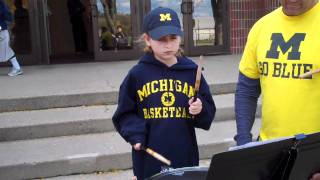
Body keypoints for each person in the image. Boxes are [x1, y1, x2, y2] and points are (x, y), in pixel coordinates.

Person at [112, 7, 216, 180]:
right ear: (147, 40)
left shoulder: (191, 72)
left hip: (184, 152)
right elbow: (124, 113)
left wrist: (200, 108)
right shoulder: (137, 75)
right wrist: (135, 134)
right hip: (150, 156)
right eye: (161, 39)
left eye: (173, 38)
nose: (168, 45)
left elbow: (207, 114)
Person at [234, 0, 320, 178]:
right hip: (269, 152)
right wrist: (243, 142)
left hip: (313, 156)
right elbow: (246, 90)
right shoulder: (262, 27)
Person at [0, 0, 23, 76]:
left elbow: (7, 15)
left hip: (1, 31)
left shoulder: (1, 3)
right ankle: (17, 68)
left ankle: (17, 68)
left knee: (5, 49)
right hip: (2, 30)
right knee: (5, 49)